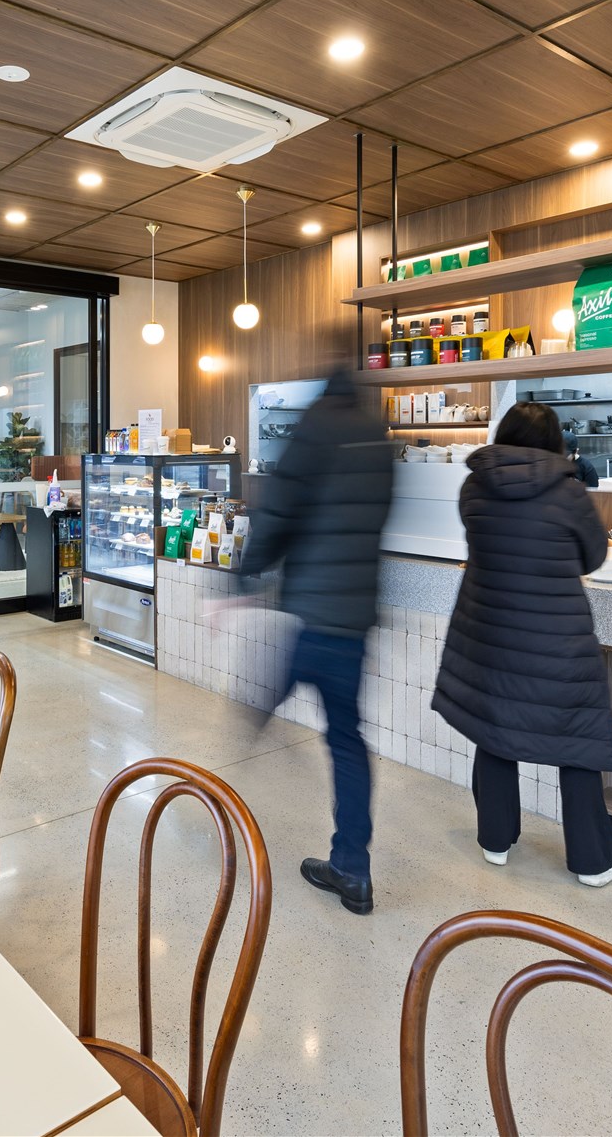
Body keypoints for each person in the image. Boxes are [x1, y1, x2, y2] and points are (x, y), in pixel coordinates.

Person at [434, 402, 612, 887]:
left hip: (490, 631)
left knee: (496, 731)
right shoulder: (569, 491)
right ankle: (593, 863)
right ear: (555, 441)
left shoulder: (475, 486)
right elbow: (592, 557)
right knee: (577, 740)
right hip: (555, 637)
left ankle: (495, 842)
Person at [238, 369, 394, 915]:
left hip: (314, 610)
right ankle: (353, 867)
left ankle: (217, 791)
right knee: (348, 739)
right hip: (354, 616)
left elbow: (281, 508)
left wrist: (246, 571)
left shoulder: (314, 426)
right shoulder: (377, 436)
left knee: (260, 700)